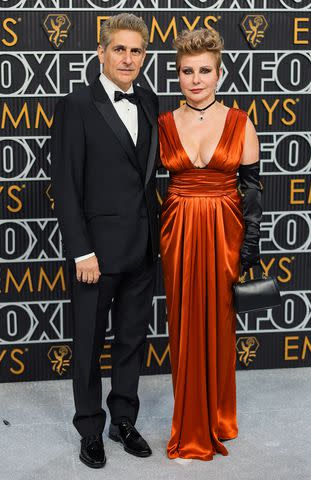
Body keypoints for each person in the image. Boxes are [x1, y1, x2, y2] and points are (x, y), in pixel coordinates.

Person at [51, 13, 159, 469]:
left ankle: (123, 421)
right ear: (101, 51)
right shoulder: (77, 103)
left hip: (142, 247)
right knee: (90, 343)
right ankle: (90, 429)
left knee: (132, 339)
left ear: (144, 57)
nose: (128, 58)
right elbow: (66, 182)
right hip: (94, 253)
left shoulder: (151, 99)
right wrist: (81, 250)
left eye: (136, 51)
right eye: (120, 49)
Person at [158, 28, 262, 461]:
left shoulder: (240, 121)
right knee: (182, 324)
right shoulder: (163, 123)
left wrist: (250, 245)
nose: (195, 79)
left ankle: (218, 415)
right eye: (187, 71)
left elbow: (252, 190)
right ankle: (190, 422)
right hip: (178, 229)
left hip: (225, 231)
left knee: (220, 324)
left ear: (219, 73)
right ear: (178, 74)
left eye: (204, 71)